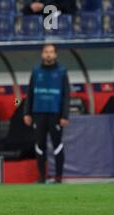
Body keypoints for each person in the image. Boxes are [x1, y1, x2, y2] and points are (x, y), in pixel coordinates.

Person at [23, 44, 70, 184]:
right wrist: (27, 113)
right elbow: (30, 93)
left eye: (51, 52)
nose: (48, 54)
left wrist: (65, 115)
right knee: (40, 145)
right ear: (42, 54)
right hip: (38, 113)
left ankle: (58, 178)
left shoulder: (62, 72)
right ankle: (42, 177)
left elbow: (66, 95)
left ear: (55, 55)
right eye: (46, 52)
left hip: (55, 114)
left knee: (57, 145)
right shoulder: (36, 71)